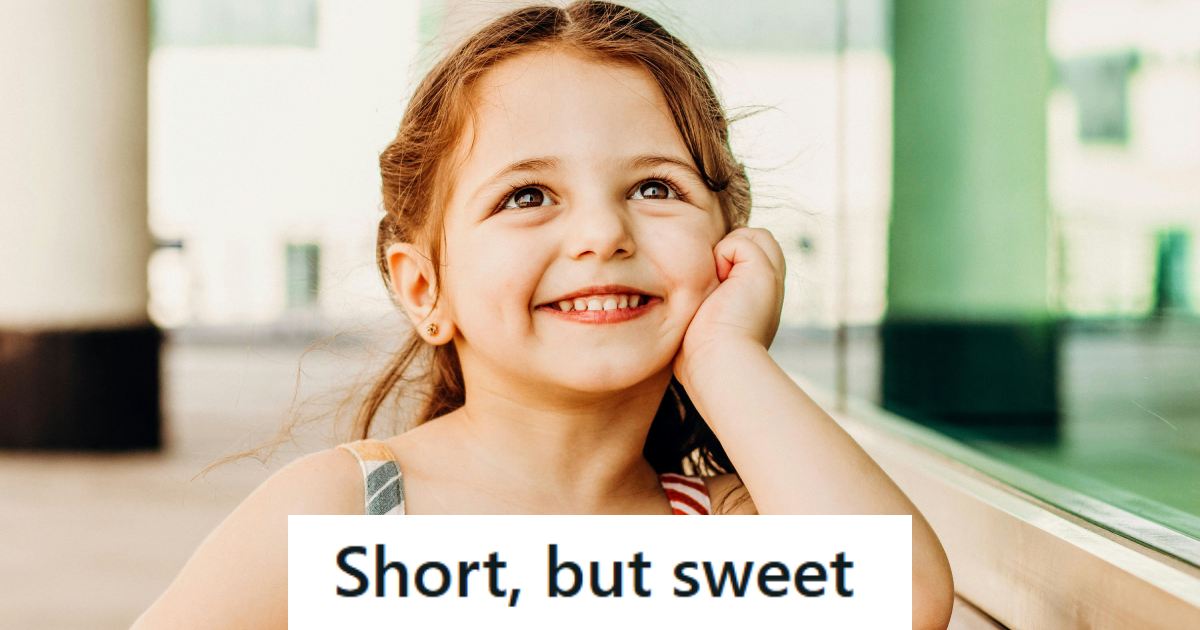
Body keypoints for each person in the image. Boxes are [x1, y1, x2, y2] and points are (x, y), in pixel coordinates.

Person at [135, 2, 953, 627]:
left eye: (655, 187)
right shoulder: (350, 516)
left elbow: (900, 600)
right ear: (424, 290)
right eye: (527, 196)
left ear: (727, 243)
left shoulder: (724, 531)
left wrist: (726, 357)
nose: (602, 233)